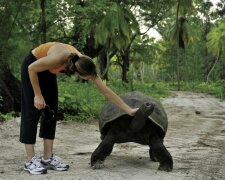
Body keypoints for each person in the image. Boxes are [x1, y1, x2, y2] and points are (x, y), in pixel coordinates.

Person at [20, 42, 138, 175]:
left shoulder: (84, 62)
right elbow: (32, 68)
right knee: (32, 112)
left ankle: (47, 158)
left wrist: (129, 110)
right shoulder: (59, 58)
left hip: (47, 71)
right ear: (78, 73)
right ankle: (29, 161)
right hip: (32, 66)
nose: (88, 80)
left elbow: (107, 92)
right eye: (86, 79)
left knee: (51, 113)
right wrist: (37, 95)